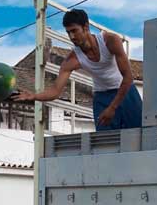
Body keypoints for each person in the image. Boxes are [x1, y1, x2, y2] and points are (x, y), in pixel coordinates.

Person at [14, 9, 142, 130]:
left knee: (142, 135)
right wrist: (34, 96)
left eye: (74, 31)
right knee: (106, 144)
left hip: (125, 91)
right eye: (68, 32)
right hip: (102, 97)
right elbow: (55, 91)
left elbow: (128, 77)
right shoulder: (72, 60)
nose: (71, 36)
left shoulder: (110, 41)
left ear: (86, 27)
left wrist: (113, 107)